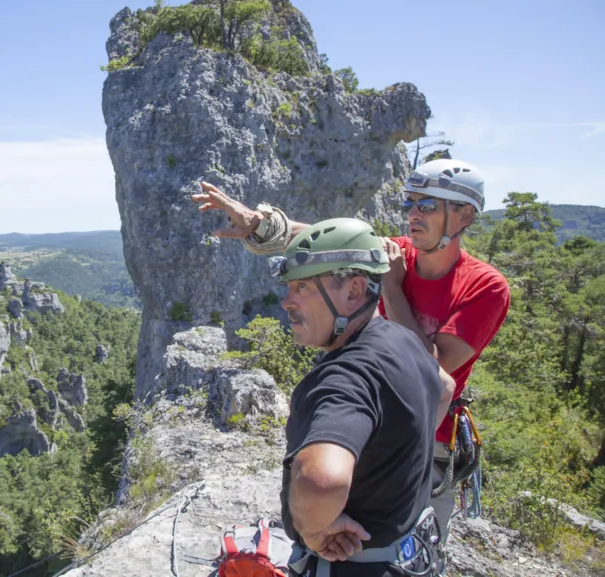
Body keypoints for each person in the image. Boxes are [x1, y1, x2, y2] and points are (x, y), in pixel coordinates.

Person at [190, 158, 510, 539]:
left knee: (413, 540)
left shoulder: (484, 287)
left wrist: (392, 289)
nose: (413, 214)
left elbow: (431, 368)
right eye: (409, 203)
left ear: (465, 216)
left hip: (425, 440)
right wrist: (258, 224)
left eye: (426, 205)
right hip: (361, 419)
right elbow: (329, 243)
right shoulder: (398, 254)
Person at [269, 218, 445, 576]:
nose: (287, 302)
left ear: (354, 291)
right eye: (289, 287)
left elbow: (321, 480)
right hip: (408, 557)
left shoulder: (346, 377)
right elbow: (445, 389)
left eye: (303, 286)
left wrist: (314, 530)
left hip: (350, 565)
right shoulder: (403, 340)